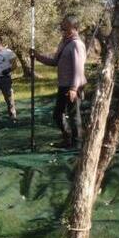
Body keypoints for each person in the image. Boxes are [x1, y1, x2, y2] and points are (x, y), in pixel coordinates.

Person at [31, 15, 87, 148]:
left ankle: (77, 144)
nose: (63, 28)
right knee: (57, 114)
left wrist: (73, 89)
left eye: (66, 26)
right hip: (63, 85)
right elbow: (55, 62)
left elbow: (78, 69)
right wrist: (37, 56)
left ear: (74, 28)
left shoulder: (76, 44)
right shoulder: (64, 43)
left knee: (74, 116)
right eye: (63, 26)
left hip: (74, 85)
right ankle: (67, 138)